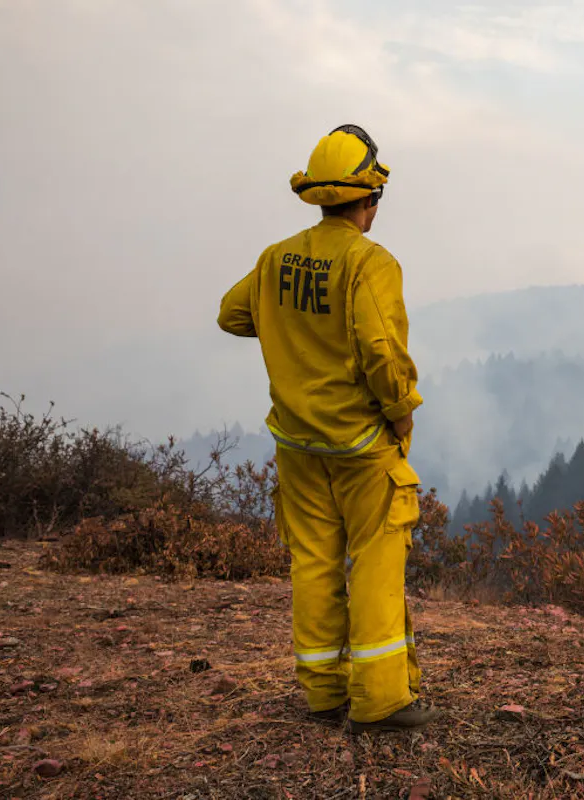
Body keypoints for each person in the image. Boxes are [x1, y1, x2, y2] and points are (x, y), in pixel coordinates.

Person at [217, 124, 435, 734]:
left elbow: (233, 314)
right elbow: (381, 354)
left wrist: (293, 334)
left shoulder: (276, 258)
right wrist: (402, 411)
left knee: (313, 562)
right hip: (361, 446)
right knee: (374, 561)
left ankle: (322, 693)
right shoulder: (371, 263)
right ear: (369, 199)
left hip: (296, 443)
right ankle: (382, 700)